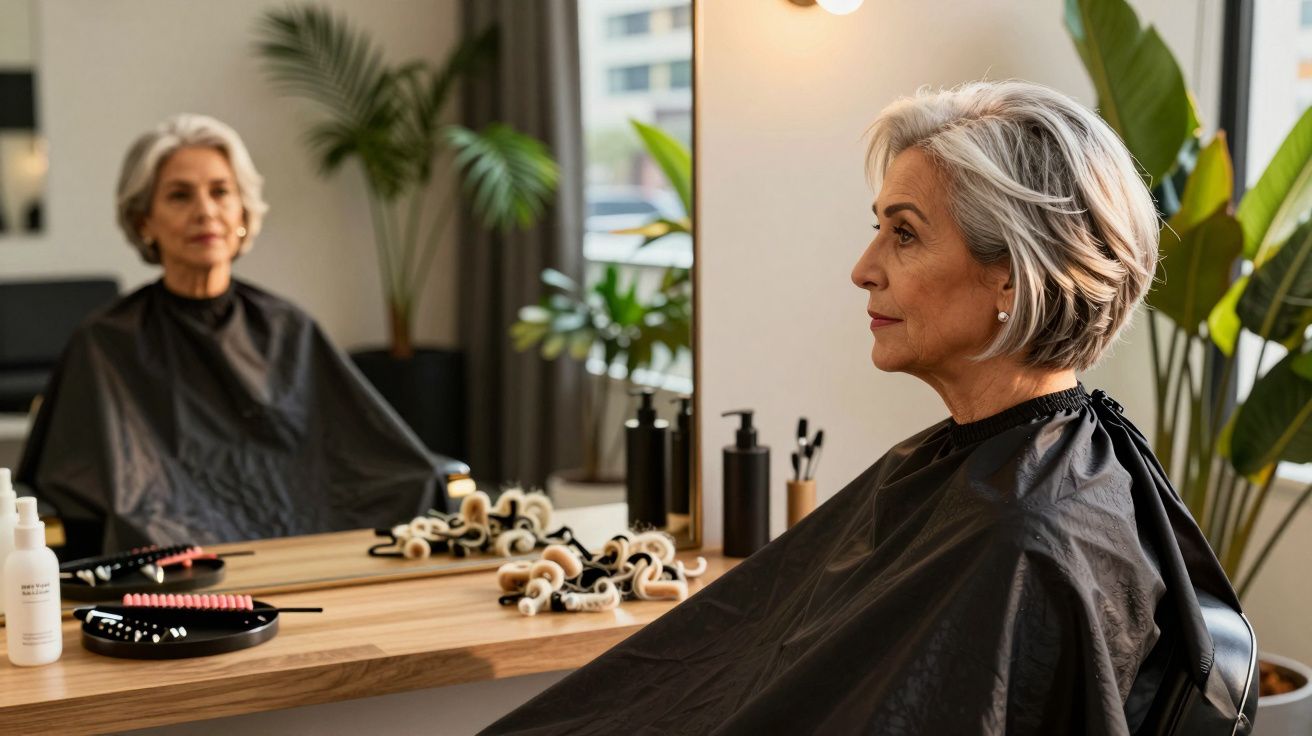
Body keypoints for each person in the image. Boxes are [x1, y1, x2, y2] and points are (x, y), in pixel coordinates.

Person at [481, 80, 1251, 734]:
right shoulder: (1024, 465)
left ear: (1010, 279)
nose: (863, 269)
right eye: (876, 229)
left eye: (905, 235)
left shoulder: (1023, 536)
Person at [17, 114, 462, 559]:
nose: (205, 211)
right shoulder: (106, 341)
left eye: (220, 192)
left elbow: (360, 449)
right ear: (144, 222)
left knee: (420, 484)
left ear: (243, 213)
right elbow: (81, 480)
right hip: (176, 541)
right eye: (179, 195)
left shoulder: (287, 325)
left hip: (297, 514)